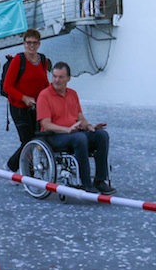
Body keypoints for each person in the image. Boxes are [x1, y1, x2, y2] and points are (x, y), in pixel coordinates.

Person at [36, 62, 115, 195]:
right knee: (80, 138)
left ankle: (100, 180)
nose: (56, 80)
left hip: (74, 133)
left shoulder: (72, 94)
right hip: (54, 136)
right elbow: (46, 124)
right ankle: (85, 183)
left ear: (68, 78)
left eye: (61, 77)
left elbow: (80, 118)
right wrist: (67, 130)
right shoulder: (44, 96)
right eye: (54, 76)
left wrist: (90, 126)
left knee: (102, 135)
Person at [3, 29, 51, 172]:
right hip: (18, 106)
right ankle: (13, 168)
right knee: (27, 140)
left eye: (34, 43)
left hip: (36, 106)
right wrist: (24, 98)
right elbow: (7, 86)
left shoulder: (42, 60)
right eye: (28, 42)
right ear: (24, 43)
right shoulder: (19, 60)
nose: (31, 46)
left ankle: (25, 172)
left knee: (37, 139)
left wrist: (53, 95)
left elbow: (44, 82)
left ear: (39, 44)